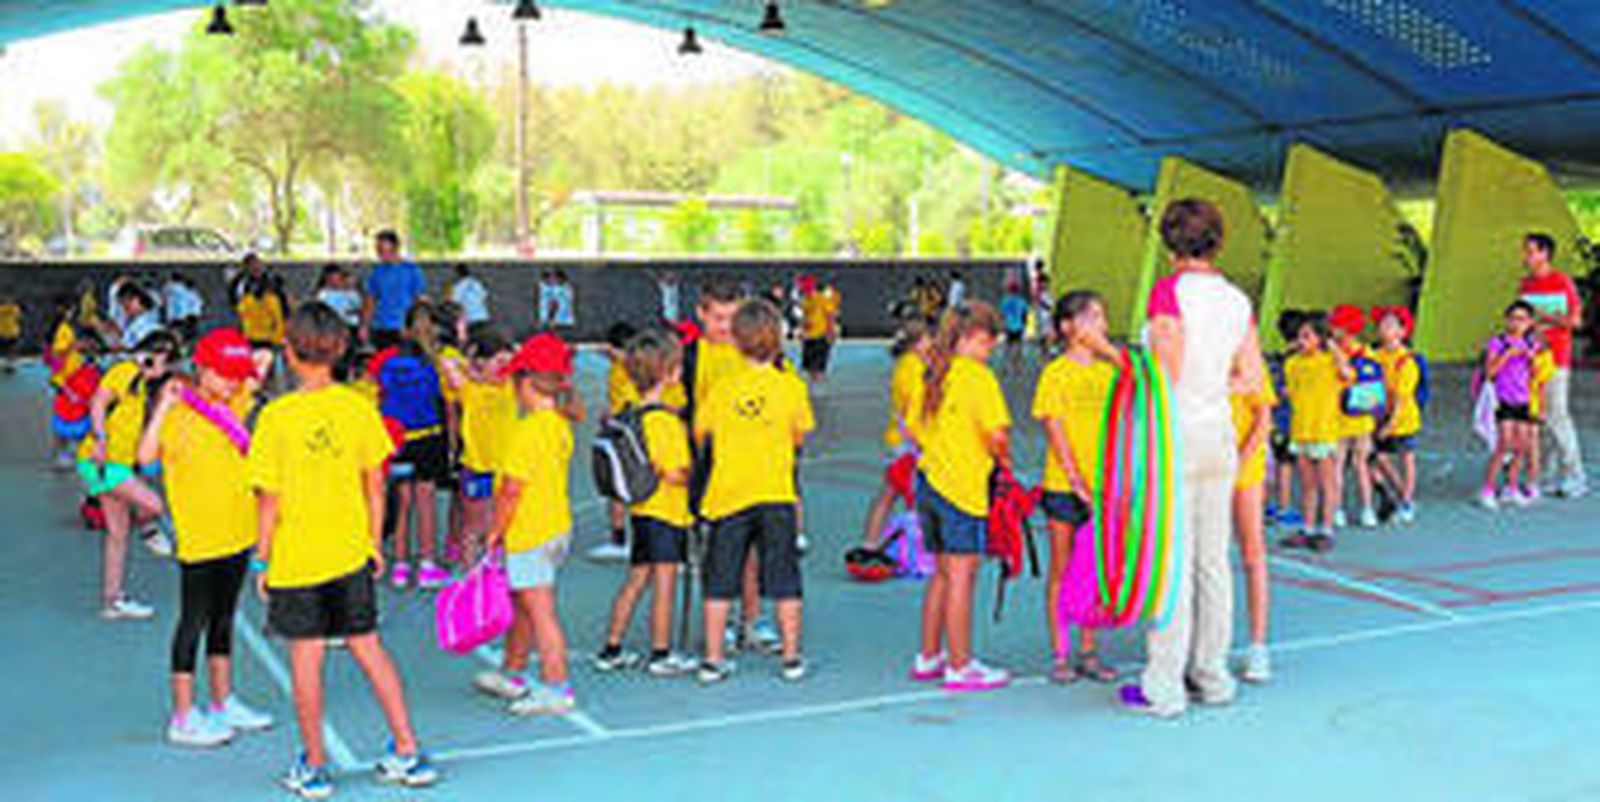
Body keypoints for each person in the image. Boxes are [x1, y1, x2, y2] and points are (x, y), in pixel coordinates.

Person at [247, 302, 437, 797]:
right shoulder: (358, 407)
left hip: (297, 559)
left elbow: (269, 500)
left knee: (306, 662)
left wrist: (262, 559)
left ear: (288, 352)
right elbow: (377, 486)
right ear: (340, 349)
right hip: (350, 552)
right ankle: (408, 749)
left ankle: (314, 764)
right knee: (369, 649)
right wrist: (374, 544)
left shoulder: (275, 416)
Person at [1121, 198, 1263, 718]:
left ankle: (1165, 683)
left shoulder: (1168, 293)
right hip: (1219, 434)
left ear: (1169, 243)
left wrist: (1130, 366)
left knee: (1169, 557)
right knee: (1211, 559)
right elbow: (1251, 378)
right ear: (1217, 242)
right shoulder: (1236, 300)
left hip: (1171, 437)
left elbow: (1166, 371)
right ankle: (1213, 672)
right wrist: (1215, 385)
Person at [137, 329, 275, 748]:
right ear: (202, 370)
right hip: (200, 540)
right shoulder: (178, 416)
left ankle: (221, 701)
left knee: (224, 619)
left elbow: (264, 359)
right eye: (224, 375)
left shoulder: (232, 404)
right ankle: (182, 715)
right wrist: (165, 404)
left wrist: (236, 363)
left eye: (236, 376)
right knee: (192, 622)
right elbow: (144, 458)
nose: (234, 383)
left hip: (238, 532)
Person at [695, 299, 815, 684]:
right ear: (778, 340)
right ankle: (792, 657)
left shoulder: (722, 387)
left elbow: (701, 432)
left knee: (719, 580)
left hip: (729, 494)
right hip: (775, 493)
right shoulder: (791, 387)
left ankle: (713, 660)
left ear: (737, 341)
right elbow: (800, 434)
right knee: (784, 578)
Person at [476, 332, 586, 715]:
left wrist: (495, 530)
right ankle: (513, 672)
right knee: (523, 603)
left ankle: (557, 687)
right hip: (553, 526)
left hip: (529, 532)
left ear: (526, 383)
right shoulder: (557, 424)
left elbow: (510, 489)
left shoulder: (528, 430)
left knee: (539, 610)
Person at [912, 300, 1012, 692]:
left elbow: (916, 429)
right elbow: (996, 434)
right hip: (962, 488)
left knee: (941, 573)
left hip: (930, 482)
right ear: (970, 338)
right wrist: (1002, 457)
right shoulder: (978, 378)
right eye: (989, 343)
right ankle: (960, 663)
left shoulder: (935, 373)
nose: (991, 352)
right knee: (962, 578)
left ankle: (929, 655)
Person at [594, 329, 698, 677]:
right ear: (668, 374)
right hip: (666, 513)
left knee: (637, 579)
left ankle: (612, 646)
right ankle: (661, 652)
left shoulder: (635, 415)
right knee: (665, 584)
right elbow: (674, 472)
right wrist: (695, 476)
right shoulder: (664, 422)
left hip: (642, 513)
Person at [1033, 291, 1121, 685]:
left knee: (1096, 570)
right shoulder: (1055, 373)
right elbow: (1054, 428)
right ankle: (1061, 652)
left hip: (1105, 488)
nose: (1101, 324)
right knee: (1062, 569)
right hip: (1064, 487)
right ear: (1069, 327)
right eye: (1093, 317)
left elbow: (1139, 389)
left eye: (1102, 317)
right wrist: (1075, 478)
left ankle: (1088, 649)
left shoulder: (1108, 373)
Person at [79, 329, 181, 620]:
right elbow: (98, 401)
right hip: (102, 462)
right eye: (165, 363)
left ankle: (113, 601)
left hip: (118, 465)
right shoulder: (125, 371)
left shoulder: (142, 385)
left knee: (118, 535)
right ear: (154, 356)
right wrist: (100, 438)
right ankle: (149, 530)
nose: (164, 371)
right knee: (154, 504)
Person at [370, 302, 449, 590]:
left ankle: (401, 567)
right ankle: (427, 564)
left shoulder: (389, 361)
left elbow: (382, 394)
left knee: (402, 500)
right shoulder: (432, 363)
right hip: (427, 435)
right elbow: (439, 399)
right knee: (425, 500)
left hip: (399, 437)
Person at [440, 328, 517, 569]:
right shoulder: (471, 390)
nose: (505, 368)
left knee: (502, 524)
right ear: (482, 362)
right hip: (477, 467)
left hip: (505, 470)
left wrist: (491, 368)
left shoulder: (510, 388)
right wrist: (474, 369)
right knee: (474, 527)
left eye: (508, 362)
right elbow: (446, 361)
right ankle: (470, 574)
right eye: (500, 361)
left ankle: (497, 570)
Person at [1518, 232, 1586, 497]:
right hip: (1530, 358)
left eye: (1530, 251)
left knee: (1558, 415)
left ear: (1545, 254)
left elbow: (1576, 321)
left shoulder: (1562, 282)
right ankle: (1546, 473)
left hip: (1556, 357)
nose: (1525, 256)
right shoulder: (1526, 285)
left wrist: (1547, 317)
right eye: (1525, 251)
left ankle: (1574, 476)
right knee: (1540, 416)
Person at [1230, 334, 1278, 682]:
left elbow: (1263, 421)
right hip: (1204, 470)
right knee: (1206, 559)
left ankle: (1258, 646)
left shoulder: (1251, 364)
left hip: (1243, 470)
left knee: (1252, 554)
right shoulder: (1196, 362)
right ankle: (1205, 646)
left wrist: (1238, 462)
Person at [857, 318, 930, 549]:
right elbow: (914, 410)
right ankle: (914, 547)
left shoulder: (906, 365)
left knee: (890, 493)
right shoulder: (914, 369)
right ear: (917, 343)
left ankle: (871, 542)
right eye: (928, 339)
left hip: (899, 438)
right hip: (909, 442)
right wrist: (921, 443)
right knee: (906, 494)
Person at [1280, 313, 1346, 552]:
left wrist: (1333, 347)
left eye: (1307, 335)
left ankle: (1326, 529)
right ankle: (1308, 528)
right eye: (1300, 336)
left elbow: (1347, 374)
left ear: (1320, 339)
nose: (1301, 340)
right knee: (1308, 484)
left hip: (1324, 431)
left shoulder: (1329, 362)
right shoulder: (1292, 364)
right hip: (1301, 430)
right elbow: (1292, 393)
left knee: (1327, 483)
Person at [1480, 301, 1543, 510]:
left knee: (1521, 447)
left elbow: (1537, 376)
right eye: (1513, 318)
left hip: (1523, 400)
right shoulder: (1498, 343)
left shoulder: (1532, 344)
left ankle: (1511, 487)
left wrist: (1532, 359)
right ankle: (1487, 489)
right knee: (1504, 444)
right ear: (1506, 320)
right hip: (1502, 400)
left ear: (1530, 323)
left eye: (1522, 319)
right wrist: (1508, 355)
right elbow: (1490, 372)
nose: (1517, 323)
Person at [591, 322, 641, 563]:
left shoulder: (631, 369)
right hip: (620, 429)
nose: (606, 351)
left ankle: (621, 541)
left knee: (620, 488)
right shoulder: (617, 367)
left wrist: (613, 415)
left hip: (626, 434)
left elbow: (631, 404)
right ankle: (621, 537)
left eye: (610, 347)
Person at [1370, 306, 1423, 523]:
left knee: (1406, 458)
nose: (1384, 328)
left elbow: (1401, 398)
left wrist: (1391, 424)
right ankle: (1399, 494)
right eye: (1382, 324)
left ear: (1403, 332)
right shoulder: (1375, 355)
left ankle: (1407, 501)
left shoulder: (1407, 361)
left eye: (1390, 325)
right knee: (1375, 459)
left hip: (1403, 420)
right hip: (1378, 416)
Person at [1328, 305, 1378, 529]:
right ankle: (1367, 510)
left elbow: (1346, 373)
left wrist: (1333, 351)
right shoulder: (1368, 351)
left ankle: (1339, 510)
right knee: (1360, 464)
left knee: (1339, 465)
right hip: (1363, 416)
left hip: (1341, 416)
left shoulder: (1333, 352)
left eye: (1335, 324)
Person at [363, 230, 428, 351]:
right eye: (378, 250)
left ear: (396, 247)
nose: (380, 253)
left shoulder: (412, 271)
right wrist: (365, 326)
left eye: (383, 249)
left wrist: (417, 327)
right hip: (381, 328)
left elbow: (420, 301)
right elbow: (370, 300)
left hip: (404, 329)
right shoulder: (377, 272)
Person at [798, 275, 841, 383]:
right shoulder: (805, 300)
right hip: (809, 336)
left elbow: (830, 315)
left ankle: (818, 380)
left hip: (820, 334)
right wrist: (802, 331)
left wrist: (830, 331)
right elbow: (805, 317)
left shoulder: (821, 299)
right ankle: (813, 379)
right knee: (808, 364)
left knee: (819, 362)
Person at [315, 265, 363, 330]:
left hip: (350, 325)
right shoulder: (323, 293)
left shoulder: (351, 292)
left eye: (338, 278)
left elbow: (359, 308)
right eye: (331, 278)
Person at [118, 283, 164, 352]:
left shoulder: (151, 321)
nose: (124, 310)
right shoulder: (135, 320)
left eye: (127, 306)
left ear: (137, 299)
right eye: (123, 306)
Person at [163, 274, 205, 343]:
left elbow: (196, 304)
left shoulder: (175, 288)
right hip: (178, 318)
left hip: (180, 318)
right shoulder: (173, 288)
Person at [1000, 280, 1031, 373]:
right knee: (1018, 346)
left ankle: (1006, 365)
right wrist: (1024, 324)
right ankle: (1017, 367)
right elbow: (1025, 314)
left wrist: (1003, 325)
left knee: (1007, 347)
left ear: (1009, 289)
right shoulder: (1022, 301)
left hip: (1008, 326)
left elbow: (1002, 315)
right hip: (1019, 326)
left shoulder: (1005, 301)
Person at [449, 264, 491, 330]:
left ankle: (461, 339)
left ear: (457, 274)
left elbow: (455, 302)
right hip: (483, 316)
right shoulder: (476, 283)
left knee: (457, 325)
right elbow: (484, 296)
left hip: (470, 319)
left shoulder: (458, 286)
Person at [0, 293, 20, 373]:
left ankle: (10, 365)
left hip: (6, 333)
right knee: (11, 349)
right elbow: (18, 317)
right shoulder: (15, 309)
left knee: (10, 349)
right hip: (11, 333)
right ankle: (10, 365)